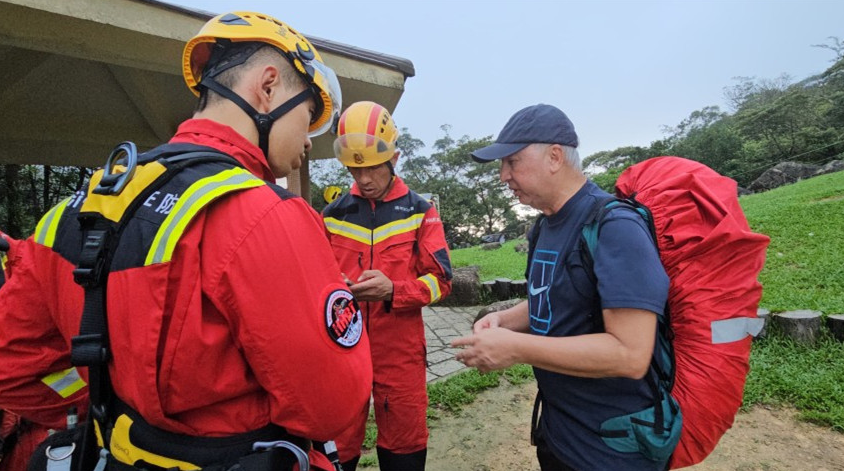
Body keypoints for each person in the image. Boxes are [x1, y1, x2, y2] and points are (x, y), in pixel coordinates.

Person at [0, 11, 371, 471]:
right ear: (268, 87)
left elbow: (13, 371)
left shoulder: (75, 210)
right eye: (308, 115)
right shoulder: (266, 215)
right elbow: (330, 405)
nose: (309, 141)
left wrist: (103, 399)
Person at [452, 104, 670, 471]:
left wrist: (517, 348)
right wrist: (504, 320)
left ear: (554, 156)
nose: (503, 175)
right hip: (559, 432)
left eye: (512, 161)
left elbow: (630, 354)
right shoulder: (545, 226)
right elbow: (555, 298)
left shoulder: (615, 226)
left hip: (611, 450)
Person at [322, 101, 453, 471]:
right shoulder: (332, 216)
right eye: (354, 168)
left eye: (372, 167)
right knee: (337, 446)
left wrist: (394, 291)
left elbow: (442, 280)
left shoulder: (420, 212)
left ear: (394, 157)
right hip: (342, 350)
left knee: (404, 446)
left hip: (400, 351)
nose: (363, 179)